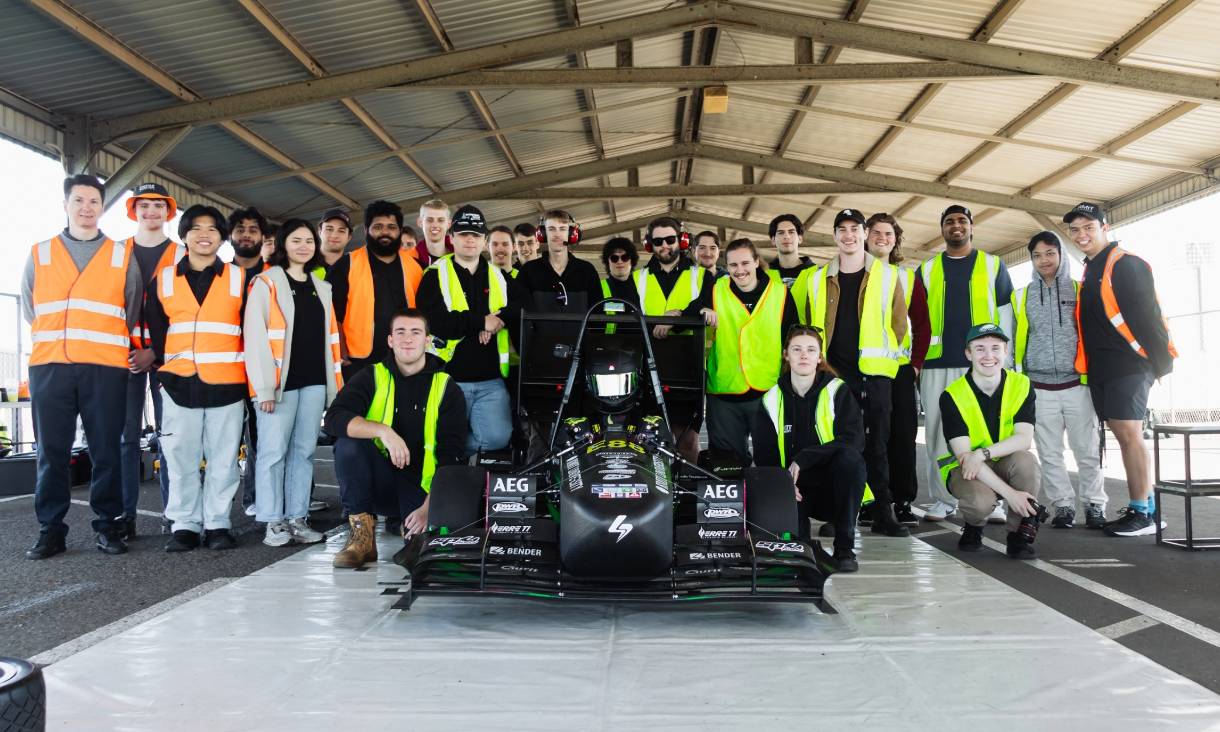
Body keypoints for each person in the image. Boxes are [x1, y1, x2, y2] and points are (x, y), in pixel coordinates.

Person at [22, 174, 142, 559]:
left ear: (101, 207)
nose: (87, 208)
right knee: (51, 452)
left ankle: (108, 526)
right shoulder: (40, 253)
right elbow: (30, 307)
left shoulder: (122, 255)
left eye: (94, 201)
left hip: (105, 367)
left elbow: (132, 306)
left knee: (105, 449)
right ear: (66, 205)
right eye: (79, 201)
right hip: (50, 365)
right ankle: (51, 529)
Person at [323, 309, 467, 568]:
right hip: (379, 483)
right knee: (348, 444)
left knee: (418, 558)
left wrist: (430, 507)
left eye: (416, 332)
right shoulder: (372, 375)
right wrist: (382, 431)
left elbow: (452, 455)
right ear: (390, 340)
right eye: (400, 332)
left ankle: (413, 531)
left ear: (427, 340)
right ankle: (362, 539)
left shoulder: (447, 387)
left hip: (422, 490)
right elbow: (334, 418)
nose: (407, 339)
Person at [1068, 202, 1177, 537]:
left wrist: (1158, 364)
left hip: (1129, 365)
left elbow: (1148, 317)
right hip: (1105, 368)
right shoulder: (1092, 268)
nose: (1081, 235)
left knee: (1130, 436)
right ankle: (1142, 506)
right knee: (1124, 436)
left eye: (1088, 227)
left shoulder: (1125, 264)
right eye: (1075, 230)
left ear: (1105, 226)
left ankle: (1144, 513)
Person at [800, 209, 909, 536]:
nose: (848, 235)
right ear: (834, 236)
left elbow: (900, 324)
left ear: (865, 234)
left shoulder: (889, 275)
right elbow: (810, 323)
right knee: (840, 445)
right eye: (842, 230)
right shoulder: (817, 278)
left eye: (854, 229)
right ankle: (840, 514)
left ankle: (883, 513)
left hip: (874, 375)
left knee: (878, 446)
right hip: (833, 375)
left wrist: (883, 363)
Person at [146, 205, 249, 552]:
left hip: (227, 383)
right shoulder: (162, 280)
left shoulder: (240, 279)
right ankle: (185, 524)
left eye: (212, 229)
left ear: (222, 238)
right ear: (184, 235)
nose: (204, 235)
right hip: (178, 384)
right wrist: (166, 370)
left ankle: (219, 523)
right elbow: (158, 333)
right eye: (196, 228)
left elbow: (249, 332)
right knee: (180, 458)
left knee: (224, 458)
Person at [244, 219, 343, 547]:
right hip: (279, 385)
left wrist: (334, 388)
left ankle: (297, 518)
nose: (304, 246)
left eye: (309, 241)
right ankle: (273, 521)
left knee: (303, 453)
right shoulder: (266, 283)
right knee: (273, 452)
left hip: (314, 381)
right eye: (296, 240)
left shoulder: (321, 286)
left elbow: (331, 341)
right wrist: (264, 388)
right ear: (284, 244)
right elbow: (255, 338)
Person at [915, 205, 1014, 522]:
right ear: (941, 229)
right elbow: (914, 319)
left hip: (982, 365)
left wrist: (1004, 361)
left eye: (962, 221)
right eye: (949, 222)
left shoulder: (993, 264)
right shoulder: (926, 270)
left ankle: (993, 499)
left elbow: (1006, 315)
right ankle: (943, 499)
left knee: (985, 434)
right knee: (936, 433)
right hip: (936, 364)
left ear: (971, 227)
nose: (955, 226)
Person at [754, 325, 867, 572]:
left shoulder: (837, 391)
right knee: (798, 558)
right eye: (797, 349)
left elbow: (854, 441)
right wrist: (783, 485)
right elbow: (764, 457)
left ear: (819, 357)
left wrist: (805, 458)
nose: (803, 355)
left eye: (810, 350)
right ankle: (800, 543)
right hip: (794, 490)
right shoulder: (770, 400)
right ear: (786, 355)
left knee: (852, 460)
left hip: (833, 489)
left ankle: (844, 548)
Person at [1013, 230, 1105, 529]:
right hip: (1039, 387)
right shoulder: (1022, 296)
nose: (1044, 260)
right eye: (1037, 255)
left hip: (1077, 384)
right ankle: (1063, 506)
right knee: (1050, 453)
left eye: (1050, 253)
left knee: (1087, 450)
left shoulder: (1081, 290)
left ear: (1062, 255)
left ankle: (1095, 505)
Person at [416, 205, 521, 458]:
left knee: (497, 439)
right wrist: (480, 322)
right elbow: (437, 321)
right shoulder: (434, 274)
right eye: (463, 234)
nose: (470, 239)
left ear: (484, 241)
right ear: (451, 238)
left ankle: (458, 453)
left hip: (491, 380)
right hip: (448, 378)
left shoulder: (499, 275)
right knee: (444, 439)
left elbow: (519, 307)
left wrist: (497, 321)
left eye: (476, 235)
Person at [938, 323, 1042, 559]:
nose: (988, 356)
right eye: (980, 348)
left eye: (995, 348)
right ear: (968, 353)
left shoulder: (1022, 384)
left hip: (1000, 461)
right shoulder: (952, 395)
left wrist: (982, 453)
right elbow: (965, 458)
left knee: (1026, 462)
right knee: (979, 503)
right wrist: (1010, 494)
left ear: (1006, 351)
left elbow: (1024, 439)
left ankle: (1018, 535)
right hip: (968, 470)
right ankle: (974, 526)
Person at [689, 238, 798, 462]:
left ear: (757, 262)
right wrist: (701, 309)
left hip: (768, 390)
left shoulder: (781, 293)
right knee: (727, 466)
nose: (740, 271)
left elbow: (793, 341)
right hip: (724, 392)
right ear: (726, 267)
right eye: (733, 265)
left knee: (771, 461)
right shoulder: (716, 289)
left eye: (745, 263)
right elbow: (690, 312)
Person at [120, 182, 182, 538]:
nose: (151, 212)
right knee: (125, 438)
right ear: (134, 211)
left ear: (168, 212)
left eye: (159, 206)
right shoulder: (114, 252)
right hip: (123, 356)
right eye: (145, 206)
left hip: (166, 358)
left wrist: (155, 351)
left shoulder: (180, 254)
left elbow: (185, 311)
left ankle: (175, 514)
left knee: (171, 436)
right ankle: (123, 518)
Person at [864, 212, 928, 524]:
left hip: (900, 369)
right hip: (866, 368)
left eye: (888, 234)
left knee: (903, 436)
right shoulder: (854, 274)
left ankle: (902, 500)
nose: (882, 238)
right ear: (866, 236)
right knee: (869, 437)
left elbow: (924, 326)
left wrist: (915, 365)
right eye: (876, 232)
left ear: (895, 239)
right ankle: (870, 500)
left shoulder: (908, 277)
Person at [329, 199, 425, 379]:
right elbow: (332, 313)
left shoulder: (417, 267)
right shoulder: (346, 265)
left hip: (407, 359)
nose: (385, 232)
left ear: (399, 231)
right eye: (378, 226)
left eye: (391, 227)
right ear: (366, 230)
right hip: (358, 362)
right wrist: (340, 350)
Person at [228, 207, 272, 516]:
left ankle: (258, 498)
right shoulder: (219, 274)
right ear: (230, 236)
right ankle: (213, 510)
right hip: (226, 368)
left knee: (263, 437)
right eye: (240, 228)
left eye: (253, 229)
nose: (246, 233)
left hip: (266, 369)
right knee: (225, 441)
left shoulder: (276, 276)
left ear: (263, 237)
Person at [517, 210, 602, 314]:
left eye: (562, 229)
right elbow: (520, 312)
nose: (557, 234)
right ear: (543, 234)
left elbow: (598, 313)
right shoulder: (528, 271)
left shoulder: (587, 270)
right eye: (551, 229)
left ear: (571, 234)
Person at [769, 213, 815, 294]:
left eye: (791, 232)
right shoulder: (763, 275)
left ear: (800, 239)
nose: (786, 236)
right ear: (773, 240)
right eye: (781, 232)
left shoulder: (817, 274)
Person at [410, 199, 453, 268]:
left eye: (440, 220)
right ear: (420, 222)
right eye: (429, 220)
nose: (435, 225)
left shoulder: (461, 256)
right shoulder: (411, 260)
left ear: (449, 224)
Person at [599, 237, 639, 305]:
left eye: (625, 257)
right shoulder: (598, 288)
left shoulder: (643, 288)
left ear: (631, 261)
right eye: (614, 258)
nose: (620, 261)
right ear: (607, 262)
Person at [317, 208, 352, 274]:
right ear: (319, 232)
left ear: (349, 237)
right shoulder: (303, 264)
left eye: (341, 231)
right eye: (329, 229)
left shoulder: (355, 268)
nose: (334, 235)